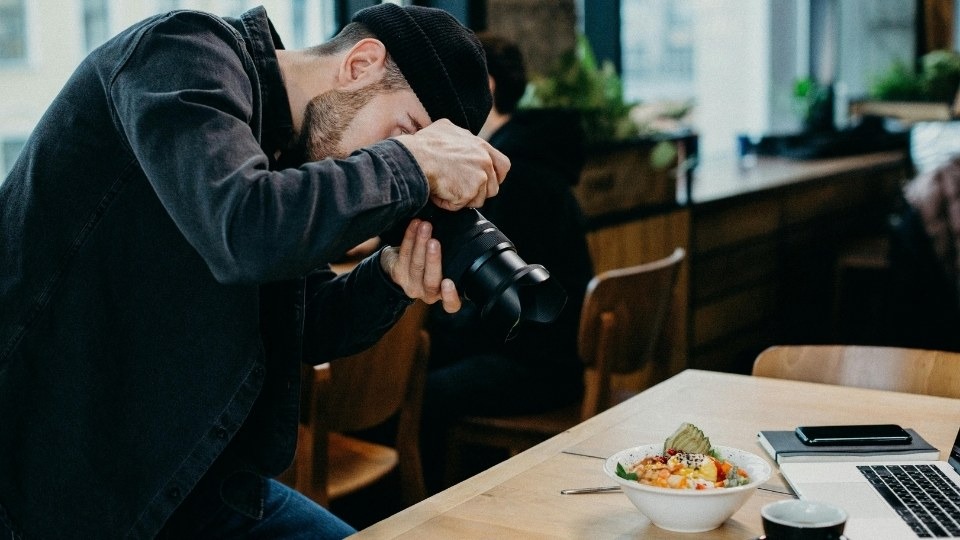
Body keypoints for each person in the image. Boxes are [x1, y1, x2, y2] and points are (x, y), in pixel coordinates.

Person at [0, 4, 510, 539]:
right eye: (405, 132)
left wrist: (388, 279)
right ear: (361, 63)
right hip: (39, 487)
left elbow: (302, 326)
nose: (402, 165)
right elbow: (242, 229)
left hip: (184, 481)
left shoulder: (287, 155)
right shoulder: (180, 53)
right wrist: (410, 164)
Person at [419, 33, 595, 491]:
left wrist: (434, 329)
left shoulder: (513, 176)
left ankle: (418, 515)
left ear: (487, 88)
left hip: (536, 367)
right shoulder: (533, 157)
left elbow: (506, 308)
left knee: (412, 392)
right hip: (552, 355)